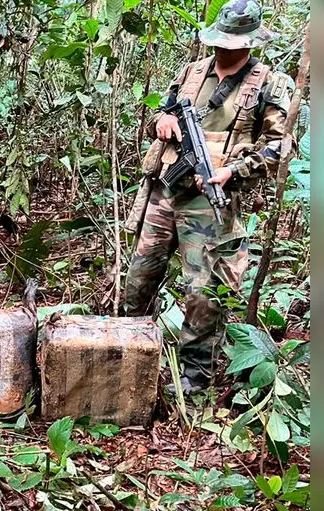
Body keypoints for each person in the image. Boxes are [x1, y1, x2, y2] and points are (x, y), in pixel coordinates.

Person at [123, 0, 292, 392]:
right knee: (139, 277)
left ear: (251, 42)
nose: (224, 48)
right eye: (221, 40)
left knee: (203, 293)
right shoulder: (192, 72)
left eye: (233, 42)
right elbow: (162, 114)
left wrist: (232, 171)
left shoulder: (269, 83)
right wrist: (163, 119)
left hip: (212, 200)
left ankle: (194, 378)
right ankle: (129, 352)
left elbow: (280, 147)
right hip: (166, 190)